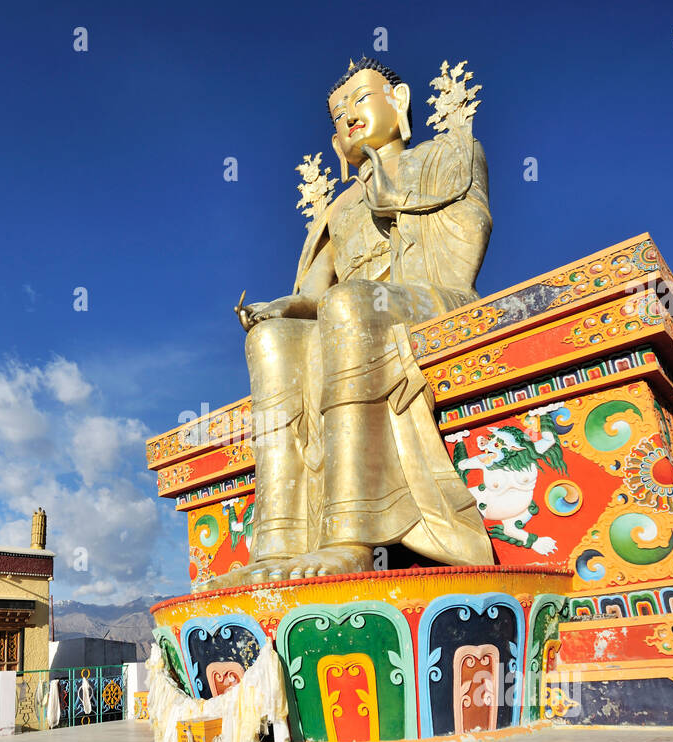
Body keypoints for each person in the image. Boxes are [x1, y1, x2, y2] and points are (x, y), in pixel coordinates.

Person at [207, 57, 494, 590]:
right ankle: (279, 539)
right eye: (337, 113)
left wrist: (385, 179)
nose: (348, 118)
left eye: (361, 99)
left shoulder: (448, 156)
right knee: (273, 341)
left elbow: (468, 231)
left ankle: (350, 534)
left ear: (400, 101)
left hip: (432, 299)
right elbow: (312, 293)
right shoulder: (340, 210)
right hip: (354, 312)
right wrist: (276, 310)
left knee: (350, 304)